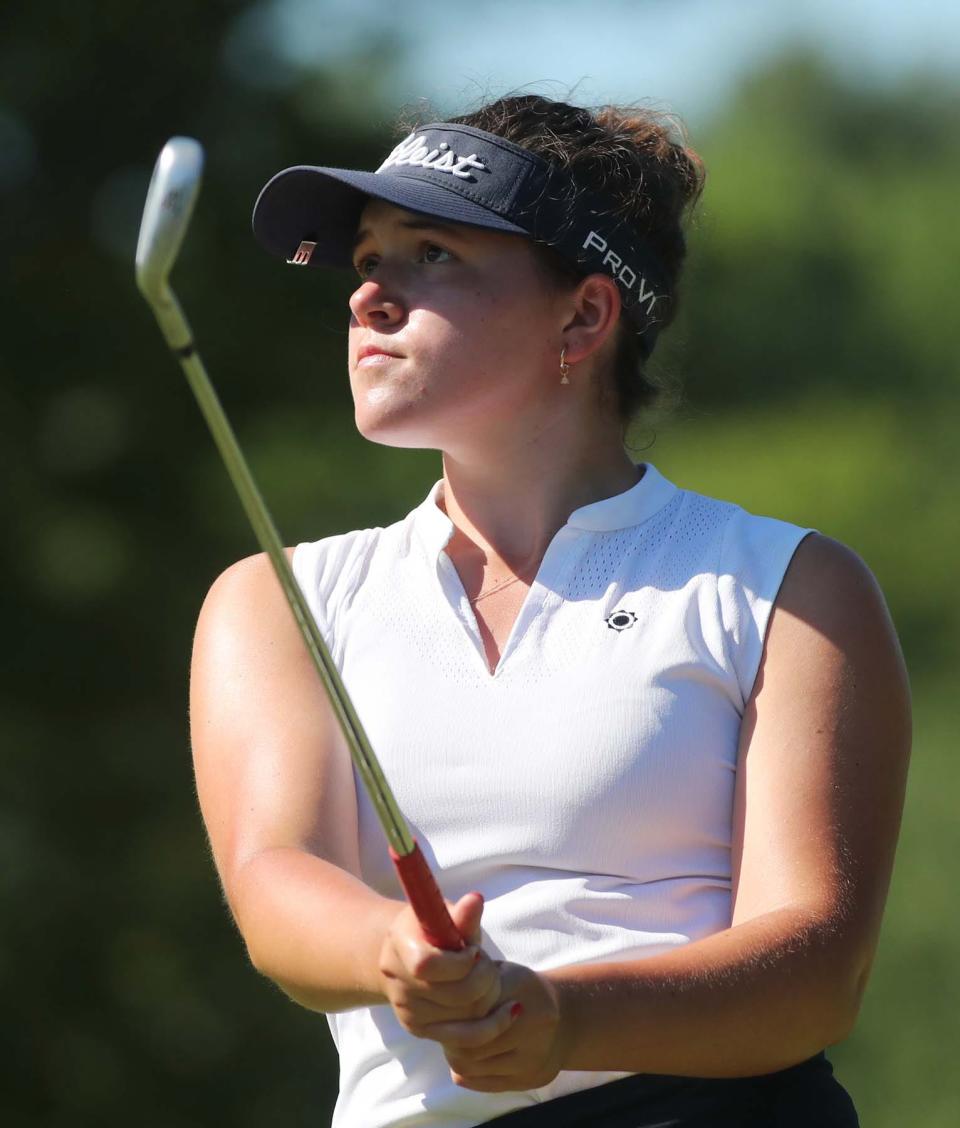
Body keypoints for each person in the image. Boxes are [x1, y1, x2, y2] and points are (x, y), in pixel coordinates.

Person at [189, 95, 911, 1127]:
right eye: (365, 262)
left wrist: (563, 1019)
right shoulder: (277, 598)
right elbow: (275, 885)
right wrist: (396, 952)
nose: (369, 299)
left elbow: (815, 975)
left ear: (583, 315)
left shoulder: (787, 586)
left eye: (430, 254)